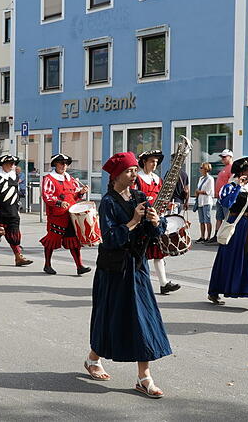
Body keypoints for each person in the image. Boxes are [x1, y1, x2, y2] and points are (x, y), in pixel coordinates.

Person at [86, 152, 171, 398]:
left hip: (137, 267)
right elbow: (110, 239)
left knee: (142, 319)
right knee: (110, 318)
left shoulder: (140, 196)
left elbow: (157, 232)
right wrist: (133, 221)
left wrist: (156, 222)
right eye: (129, 171)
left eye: (135, 170)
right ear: (116, 175)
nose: (134, 174)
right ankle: (93, 358)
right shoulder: (108, 202)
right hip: (113, 269)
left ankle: (144, 377)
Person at [207, 157, 248, 312]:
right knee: (227, 259)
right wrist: (238, 186)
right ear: (242, 172)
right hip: (236, 228)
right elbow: (226, 204)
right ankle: (214, 291)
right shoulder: (229, 186)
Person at [134, 150, 180, 295]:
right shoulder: (137, 179)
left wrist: (168, 206)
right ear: (144, 162)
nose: (154, 164)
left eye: (156, 162)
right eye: (151, 161)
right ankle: (135, 282)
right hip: (142, 221)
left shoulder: (157, 179)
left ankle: (163, 283)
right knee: (140, 254)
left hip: (155, 220)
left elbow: (162, 199)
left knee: (158, 253)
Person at [39, 154, 91, 276]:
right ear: (55, 164)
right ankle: (47, 264)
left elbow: (74, 196)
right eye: (61, 163)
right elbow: (46, 196)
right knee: (52, 240)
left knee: (73, 240)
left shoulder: (71, 179)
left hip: (71, 215)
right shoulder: (49, 179)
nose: (64, 166)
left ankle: (79, 266)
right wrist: (58, 202)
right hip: (57, 216)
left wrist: (81, 193)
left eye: (66, 163)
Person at [0, 155, 34, 267]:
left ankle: (18, 257)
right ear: (2, 164)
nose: (11, 166)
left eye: (13, 163)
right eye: (9, 163)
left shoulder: (14, 175)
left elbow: (16, 191)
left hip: (12, 210)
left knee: (14, 233)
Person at [210, 149, 234, 244]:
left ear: (230, 157)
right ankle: (217, 235)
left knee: (227, 218)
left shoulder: (232, 168)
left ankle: (226, 236)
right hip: (219, 198)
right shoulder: (225, 168)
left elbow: (231, 184)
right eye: (222, 157)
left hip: (225, 198)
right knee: (218, 217)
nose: (222, 159)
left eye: (224, 157)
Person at [193, 162, 215, 243]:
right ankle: (202, 236)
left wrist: (199, 192)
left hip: (207, 202)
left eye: (201, 167)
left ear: (206, 169)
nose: (200, 169)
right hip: (200, 201)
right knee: (201, 221)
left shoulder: (210, 179)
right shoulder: (201, 179)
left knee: (207, 220)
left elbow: (209, 191)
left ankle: (208, 237)